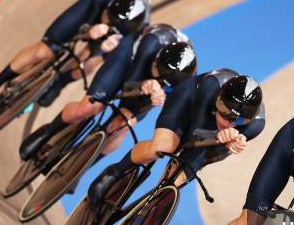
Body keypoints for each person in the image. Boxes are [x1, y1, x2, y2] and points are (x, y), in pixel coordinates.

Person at [18, 23, 197, 163]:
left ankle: (83, 165)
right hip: (129, 59)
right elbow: (127, 86)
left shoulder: (184, 80)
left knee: (122, 126)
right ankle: (47, 133)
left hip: (151, 84)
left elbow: (173, 113)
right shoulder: (151, 45)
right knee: (89, 107)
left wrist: (159, 96)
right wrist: (144, 83)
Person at [0, 0, 151, 112]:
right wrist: (90, 30)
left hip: (121, 34)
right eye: (108, 20)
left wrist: (99, 49)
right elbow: (83, 26)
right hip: (93, 14)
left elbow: (104, 57)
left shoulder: (134, 31)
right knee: (44, 50)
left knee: (91, 61)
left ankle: (59, 84)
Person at [87, 70, 266, 204]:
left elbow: (208, 154)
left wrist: (228, 145)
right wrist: (219, 136)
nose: (228, 123)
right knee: (162, 147)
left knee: (174, 182)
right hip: (189, 105)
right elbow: (192, 137)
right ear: (219, 100)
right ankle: (116, 171)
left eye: (237, 121)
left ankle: (146, 211)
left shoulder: (255, 126)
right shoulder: (211, 86)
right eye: (225, 114)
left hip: (212, 137)